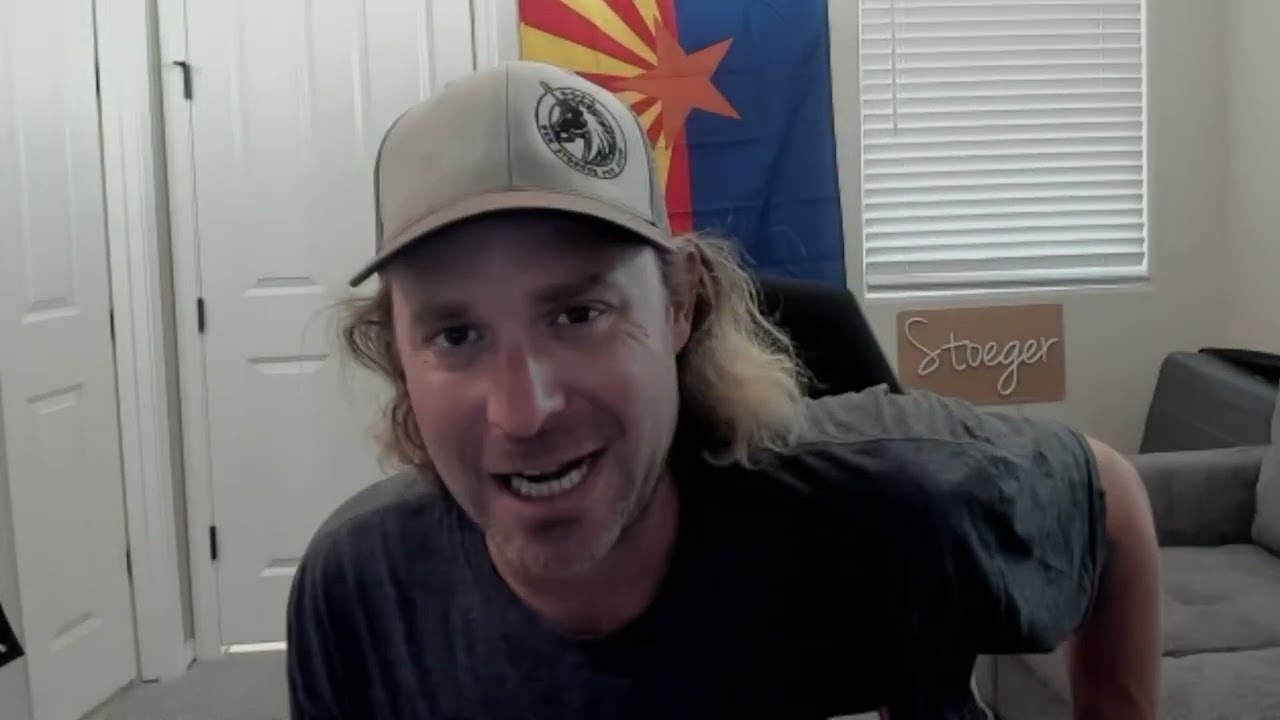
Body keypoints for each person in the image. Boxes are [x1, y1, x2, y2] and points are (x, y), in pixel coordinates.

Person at [286, 61, 1161, 719]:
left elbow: (1108, 496)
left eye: (579, 314)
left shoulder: (895, 501)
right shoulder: (361, 592)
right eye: (455, 335)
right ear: (398, 356)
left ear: (680, 302)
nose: (523, 411)